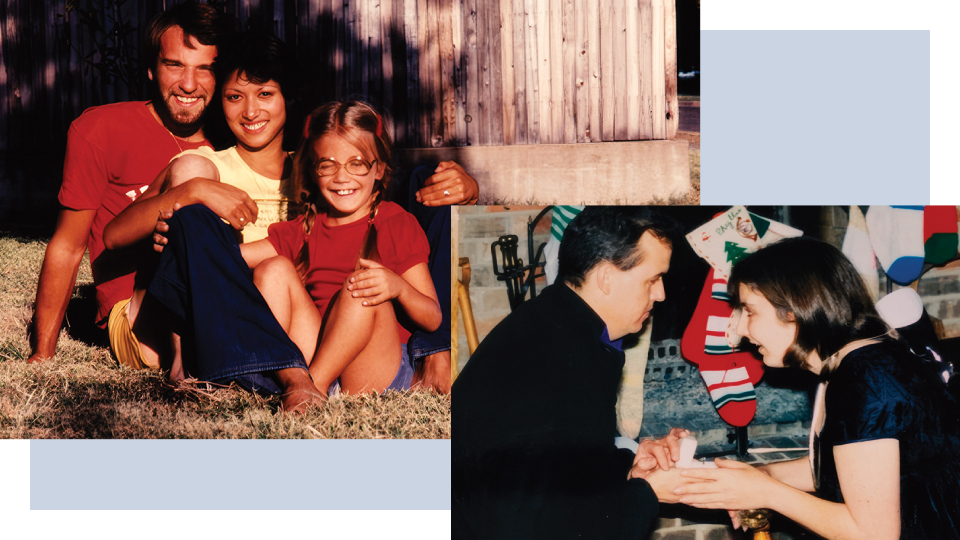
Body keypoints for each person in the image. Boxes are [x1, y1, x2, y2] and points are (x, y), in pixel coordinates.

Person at [674, 237, 960, 540]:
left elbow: (874, 534)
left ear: (796, 309)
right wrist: (764, 475)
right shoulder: (849, 365)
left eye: (750, 311)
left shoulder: (866, 377)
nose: (741, 330)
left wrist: (767, 493)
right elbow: (843, 470)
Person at [452, 207, 694, 540]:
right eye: (652, 279)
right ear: (606, 278)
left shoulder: (557, 324)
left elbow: (562, 467)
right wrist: (646, 493)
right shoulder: (560, 357)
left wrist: (630, 465)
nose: (661, 293)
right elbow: (534, 522)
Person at [26, 1, 235, 364]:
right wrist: (42, 354)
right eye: (175, 65)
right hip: (141, 315)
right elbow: (68, 246)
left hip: (219, 301)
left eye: (204, 69)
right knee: (192, 173)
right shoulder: (102, 129)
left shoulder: (230, 144)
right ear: (152, 69)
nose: (189, 84)